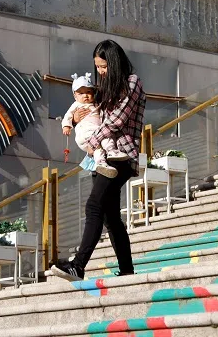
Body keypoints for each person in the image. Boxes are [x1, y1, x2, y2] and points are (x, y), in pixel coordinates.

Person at [50, 40, 145, 280]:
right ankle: (127, 270)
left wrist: (92, 143)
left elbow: (116, 122)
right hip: (101, 157)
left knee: (94, 206)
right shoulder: (104, 90)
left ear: (114, 62)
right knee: (109, 215)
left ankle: (78, 266)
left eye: (103, 67)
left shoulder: (132, 83)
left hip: (120, 155)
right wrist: (73, 120)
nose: (100, 72)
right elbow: (88, 112)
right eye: (98, 68)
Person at [62, 72, 129, 178]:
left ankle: (102, 161)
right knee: (102, 139)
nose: (85, 95)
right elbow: (67, 116)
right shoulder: (76, 105)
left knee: (101, 144)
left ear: (93, 92)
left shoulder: (96, 104)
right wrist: (67, 125)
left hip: (96, 133)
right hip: (85, 134)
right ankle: (109, 153)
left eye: (88, 92)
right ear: (75, 96)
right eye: (81, 93)